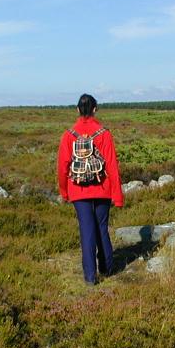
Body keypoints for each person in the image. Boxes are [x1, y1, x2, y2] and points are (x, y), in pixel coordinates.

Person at [57, 94, 124, 284]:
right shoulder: (104, 133)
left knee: (86, 230)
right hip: (102, 188)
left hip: (78, 190)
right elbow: (112, 166)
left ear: (77, 110)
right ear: (95, 109)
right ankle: (107, 268)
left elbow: (63, 166)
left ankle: (89, 277)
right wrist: (117, 196)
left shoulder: (68, 135)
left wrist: (64, 191)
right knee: (101, 228)